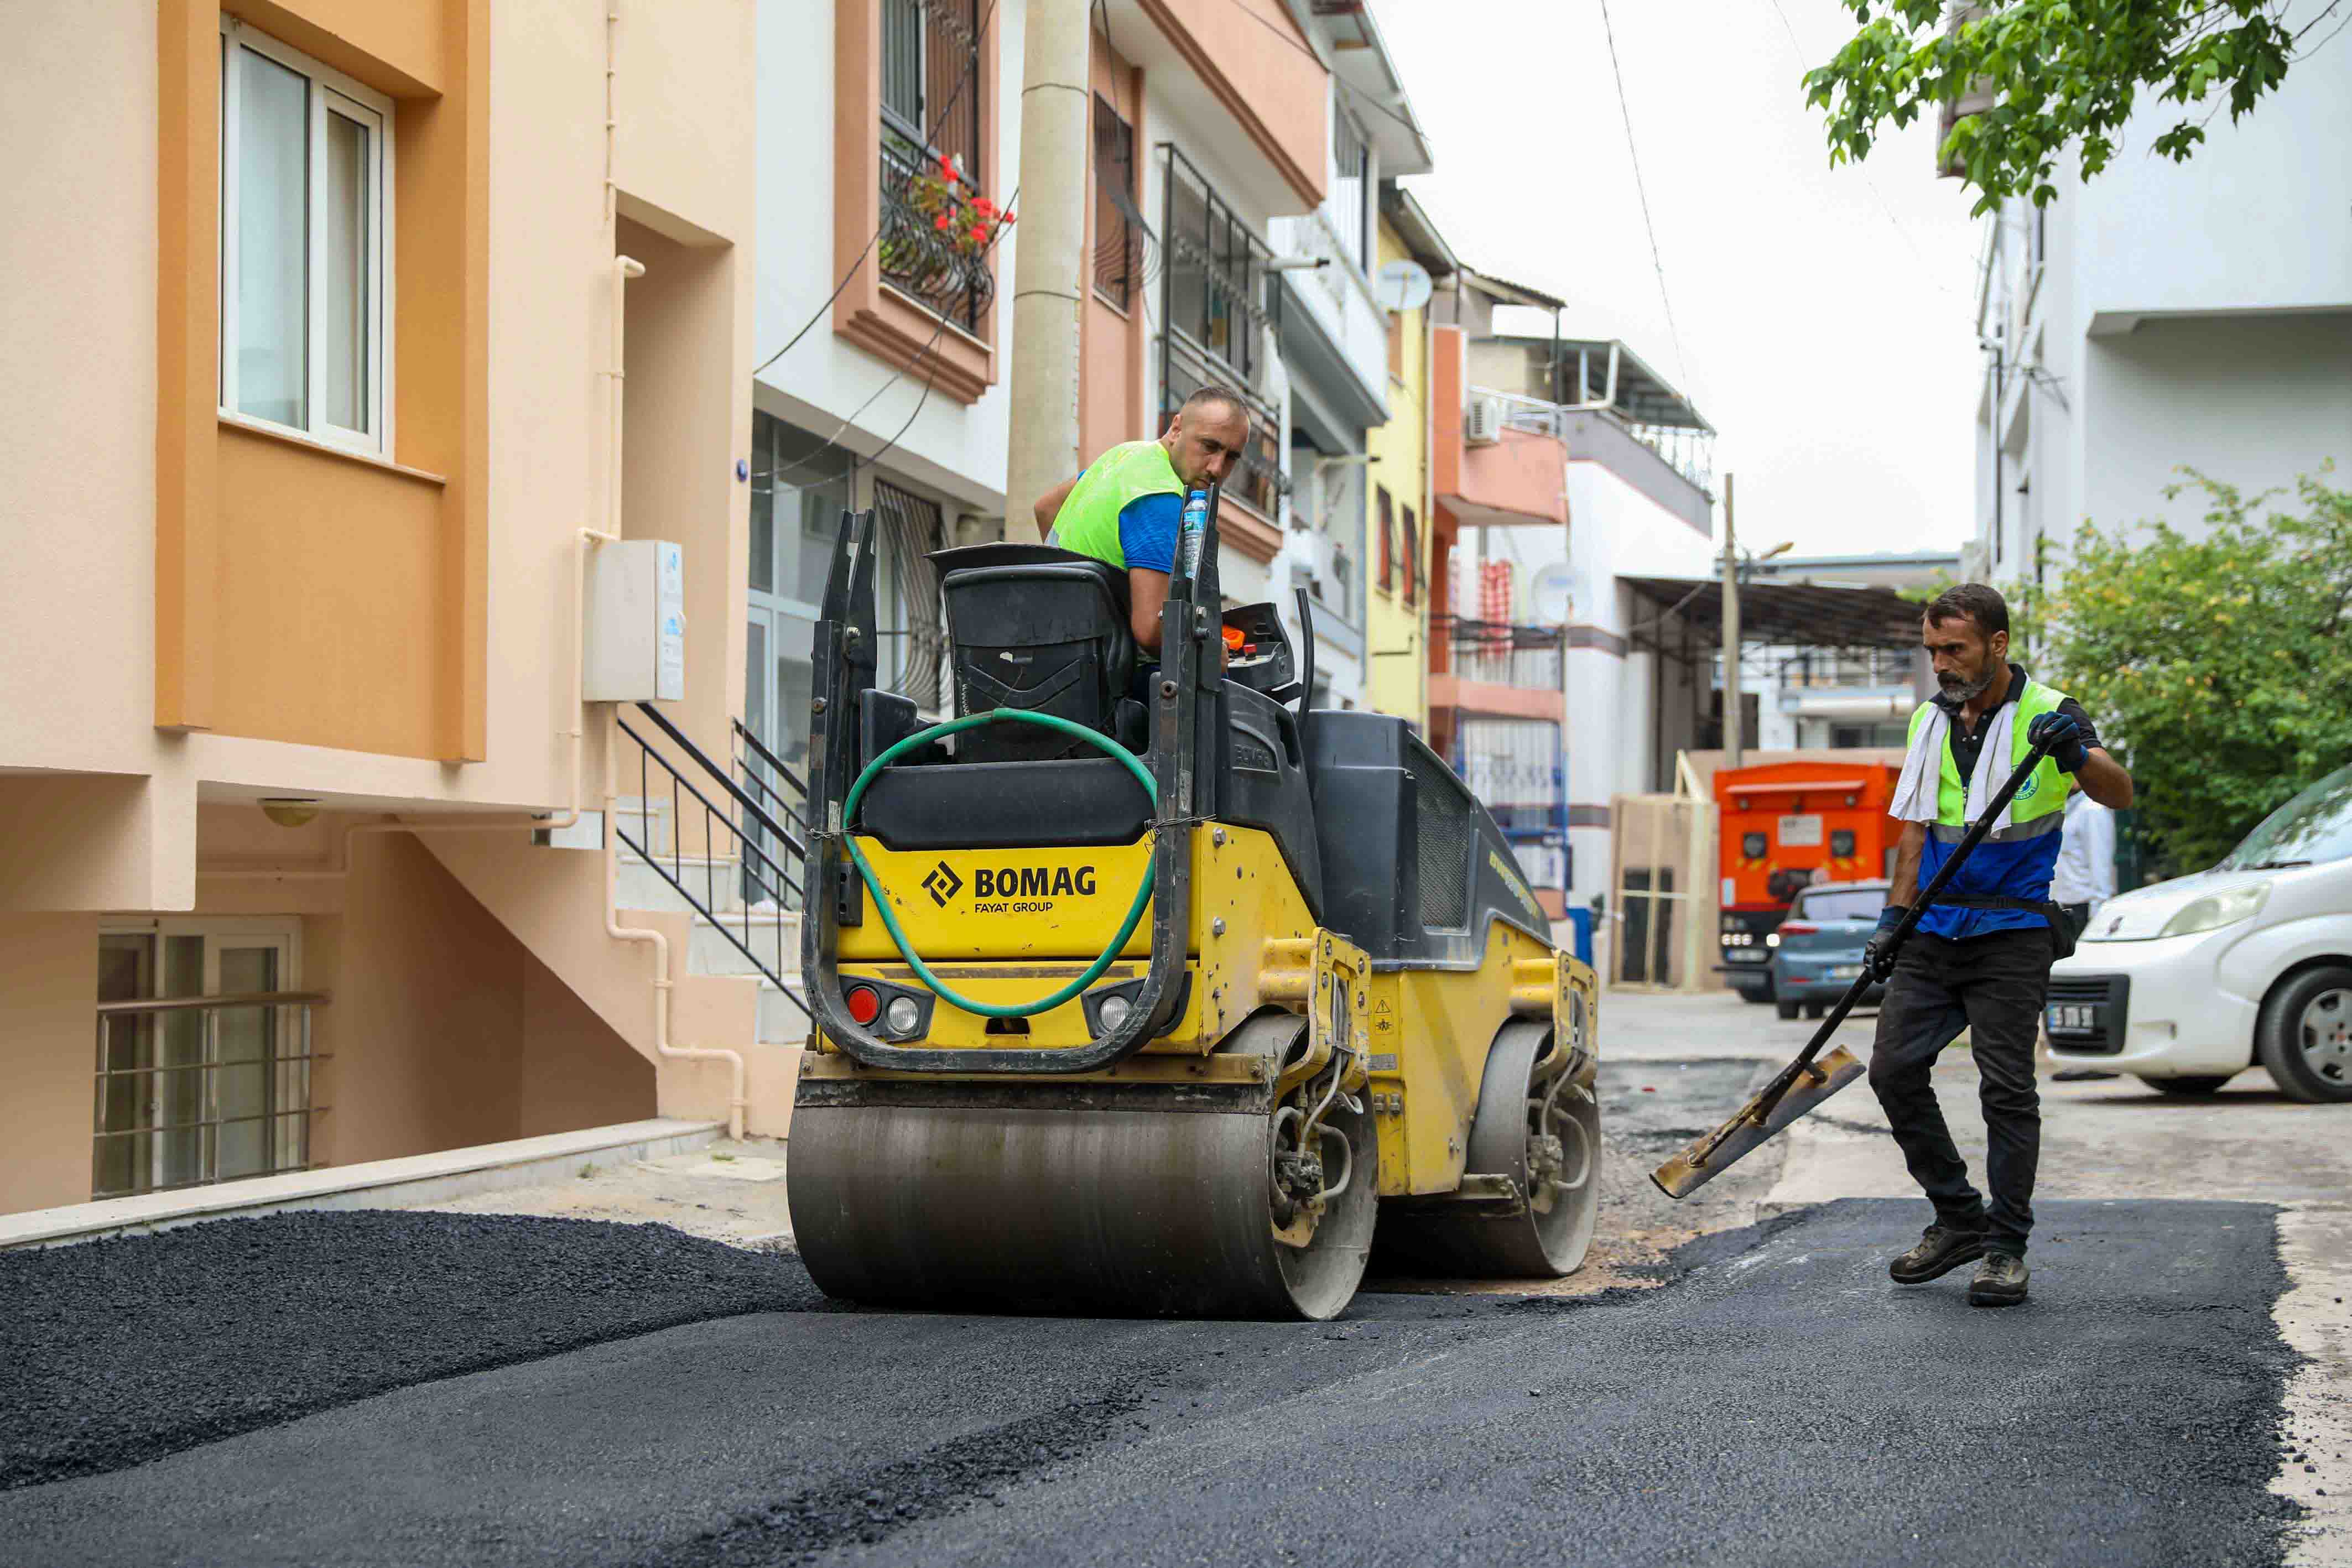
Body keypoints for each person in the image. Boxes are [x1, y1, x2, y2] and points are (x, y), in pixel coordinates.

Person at [1860, 584, 2134, 1308]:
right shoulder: (1930, 720)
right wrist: (1892, 921)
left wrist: (2074, 746)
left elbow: (2119, 791)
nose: (1941, 664)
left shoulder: (2050, 710)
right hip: (1934, 930)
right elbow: (1915, 834)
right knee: (1892, 1068)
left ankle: (2006, 1247)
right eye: (1932, 651)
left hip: (2011, 934)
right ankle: (1958, 1218)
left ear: (1998, 643)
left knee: (2006, 1087)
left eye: (1955, 649)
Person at [1031, 387, 1253, 655]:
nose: (1217, 468)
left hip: (1051, 642)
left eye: (1231, 457)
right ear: (1176, 429)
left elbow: (1045, 508)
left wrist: (1065, 579)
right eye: (1209, 446)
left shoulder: (1126, 455)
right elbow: (1151, 631)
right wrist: (1210, 654)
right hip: (1097, 672)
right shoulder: (1162, 497)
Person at [2051, 789, 2119, 939]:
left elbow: (2101, 865)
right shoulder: (2066, 808)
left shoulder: (2093, 811)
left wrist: (2098, 916)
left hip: (2084, 909)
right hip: (2062, 907)